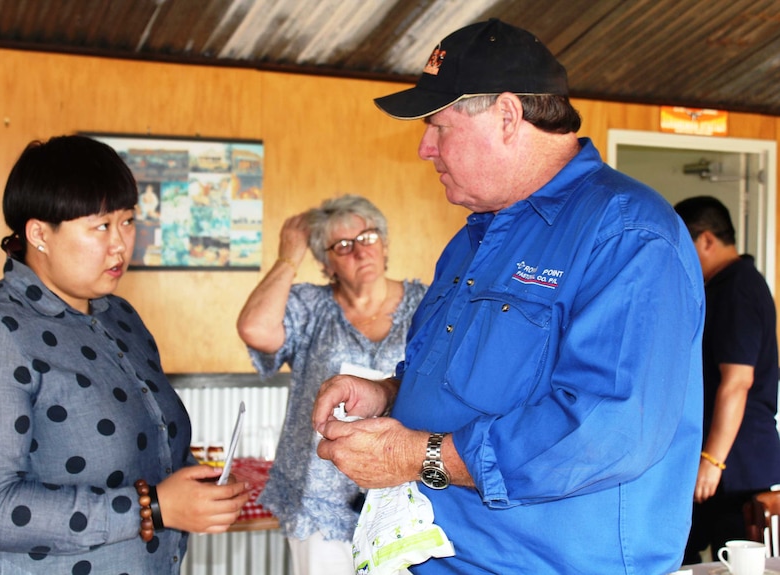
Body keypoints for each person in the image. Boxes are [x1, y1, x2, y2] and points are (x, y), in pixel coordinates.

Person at [310, 19, 706, 575]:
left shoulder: (627, 234)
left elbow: (605, 428)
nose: (425, 149)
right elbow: (476, 381)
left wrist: (414, 455)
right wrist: (389, 393)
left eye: (438, 127)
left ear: (507, 116)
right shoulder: (473, 238)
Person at [0, 135, 249, 574]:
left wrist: (196, 486)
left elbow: (142, 455)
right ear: (39, 234)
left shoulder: (119, 317)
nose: (121, 244)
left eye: (128, 221)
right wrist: (152, 509)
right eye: (100, 226)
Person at [236, 194, 427, 575]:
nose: (359, 251)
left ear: (385, 243)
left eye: (368, 237)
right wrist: (288, 256)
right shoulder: (311, 306)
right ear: (326, 264)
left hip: (403, 494)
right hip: (318, 501)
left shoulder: (427, 303)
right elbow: (255, 329)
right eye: (342, 246)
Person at [675, 196, 780, 563]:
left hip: (733, 465)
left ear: (706, 239)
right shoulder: (721, 286)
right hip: (720, 460)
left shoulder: (738, 287)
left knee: (737, 564)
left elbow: (738, 380)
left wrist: (712, 460)